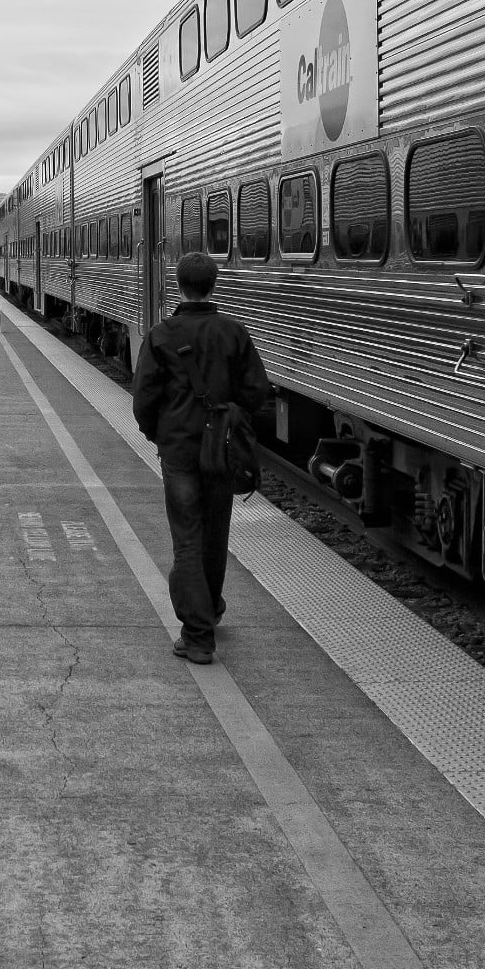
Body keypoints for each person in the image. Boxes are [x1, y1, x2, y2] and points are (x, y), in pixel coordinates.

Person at [131, 251, 271, 665]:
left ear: (178, 284)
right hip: (221, 450)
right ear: (214, 284)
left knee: (187, 540)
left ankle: (197, 636)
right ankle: (211, 610)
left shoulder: (161, 335)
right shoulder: (234, 332)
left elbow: (144, 400)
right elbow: (256, 392)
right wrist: (231, 419)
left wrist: (160, 434)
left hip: (179, 451)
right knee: (215, 535)